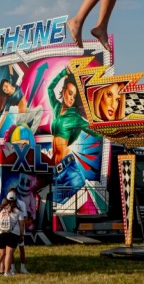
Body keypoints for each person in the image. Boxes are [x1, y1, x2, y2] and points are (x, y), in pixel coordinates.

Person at [48, 67, 99, 202]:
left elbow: (93, 131)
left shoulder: (75, 115)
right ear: (64, 90)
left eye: (74, 96)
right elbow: (49, 89)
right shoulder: (56, 108)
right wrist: (63, 73)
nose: (71, 98)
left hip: (69, 171)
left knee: (80, 207)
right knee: (58, 215)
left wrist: (110, 131)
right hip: (56, 173)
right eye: (70, 93)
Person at [0, 195, 25, 277]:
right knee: (9, 253)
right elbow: (21, 224)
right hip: (13, 234)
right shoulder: (18, 211)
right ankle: (7, 272)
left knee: (0, 253)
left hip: (1, 233)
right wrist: (21, 235)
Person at [7, 187, 30, 274]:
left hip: (19, 229)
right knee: (10, 250)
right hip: (9, 230)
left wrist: (21, 232)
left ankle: (22, 267)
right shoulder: (6, 204)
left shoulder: (21, 204)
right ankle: (12, 267)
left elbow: (24, 217)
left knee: (21, 248)